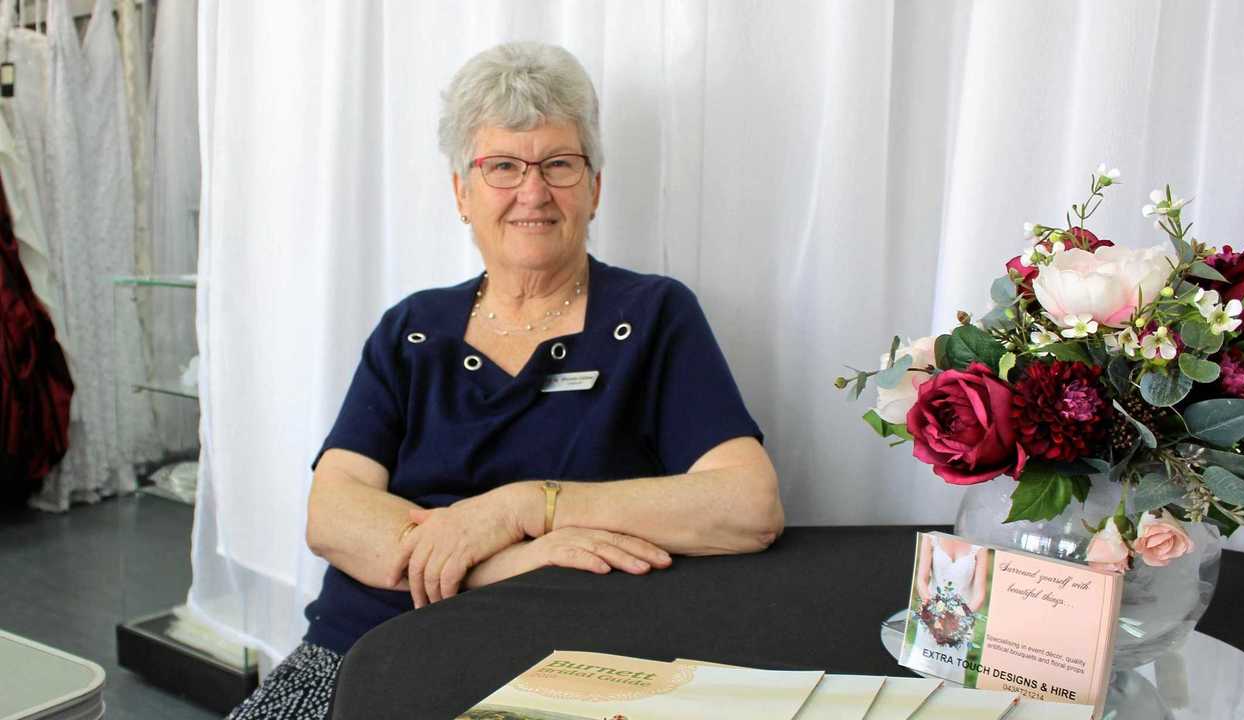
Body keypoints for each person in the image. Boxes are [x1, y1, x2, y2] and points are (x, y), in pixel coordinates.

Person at [226, 41, 783, 719]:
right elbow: (334, 514)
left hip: (561, 668)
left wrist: (523, 508)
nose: (533, 191)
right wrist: (498, 564)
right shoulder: (413, 330)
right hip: (362, 648)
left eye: (559, 164)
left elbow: (748, 506)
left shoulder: (653, 317)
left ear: (595, 188)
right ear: (462, 192)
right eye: (503, 167)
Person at [905, 534, 990, 683]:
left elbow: (980, 595)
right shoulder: (931, 537)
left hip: (959, 624)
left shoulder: (980, 548)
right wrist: (935, 612)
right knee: (920, 672)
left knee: (950, 679)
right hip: (930, 618)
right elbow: (921, 580)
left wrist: (956, 618)